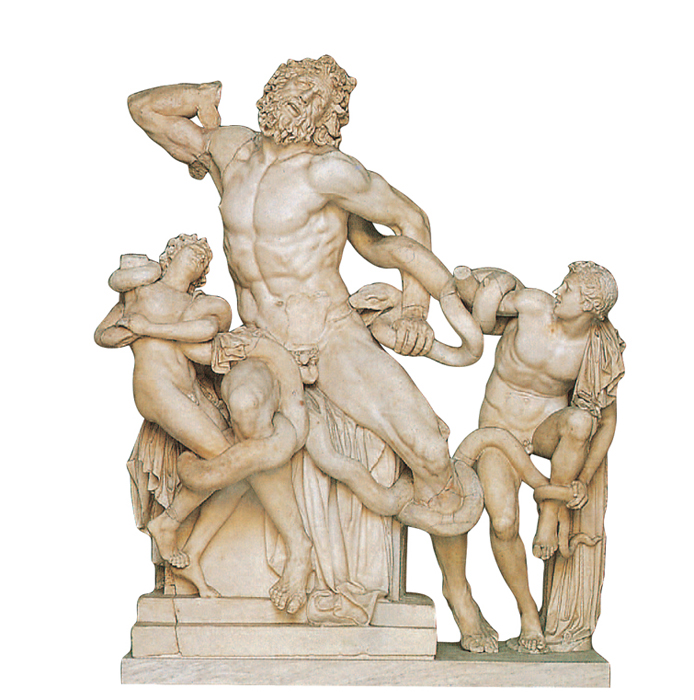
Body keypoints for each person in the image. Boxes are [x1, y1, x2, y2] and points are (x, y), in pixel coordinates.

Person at [127, 56, 497, 651]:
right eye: (294, 85)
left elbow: (411, 219)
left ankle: (460, 593)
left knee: (429, 446)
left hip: (330, 334)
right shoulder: (230, 151)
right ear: (272, 91)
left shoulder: (330, 172)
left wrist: (413, 310)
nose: (302, 98)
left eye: (317, 93)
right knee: (248, 410)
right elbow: (145, 109)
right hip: (261, 339)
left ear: (331, 114)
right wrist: (200, 94)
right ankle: (296, 550)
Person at [95, 234, 313, 612]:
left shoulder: (204, 304)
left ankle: (191, 551)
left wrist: (148, 328)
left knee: (237, 468)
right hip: (156, 388)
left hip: (191, 391)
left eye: (204, 258)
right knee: (234, 461)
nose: (198, 258)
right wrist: (136, 327)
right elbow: (104, 334)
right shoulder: (140, 293)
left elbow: (205, 332)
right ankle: (170, 523)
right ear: (169, 256)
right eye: (191, 251)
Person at [455, 261, 625, 652]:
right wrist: (485, 281)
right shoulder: (532, 305)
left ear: (590, 306)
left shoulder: (597, 347)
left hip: (543, 433)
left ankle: (550, 513)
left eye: (568, 289)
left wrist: (584, 480)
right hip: (498, 431)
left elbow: (607, 422)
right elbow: (479, 308)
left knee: (581, 421)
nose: (558, 291)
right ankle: (528, 612)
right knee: (502, 523)